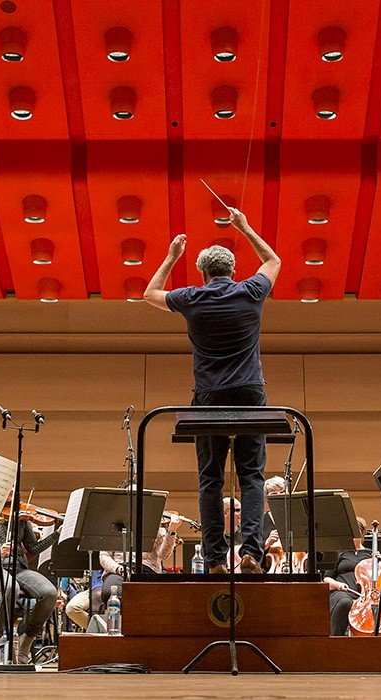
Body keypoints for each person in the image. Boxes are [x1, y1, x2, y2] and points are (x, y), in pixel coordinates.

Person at [144, 206, 281, 575]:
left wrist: (172, 256)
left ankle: (217, 560)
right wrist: (246, 227)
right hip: (250, 393)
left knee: (211, 479)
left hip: (209, 397)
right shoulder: (251, 291)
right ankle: (251, 553)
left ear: (203, 274)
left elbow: (150, 293)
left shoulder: (192, 298)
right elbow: (273, 260)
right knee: (252, 475)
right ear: (234, 271)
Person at [0, 496, 59, 665]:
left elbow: (33, 547)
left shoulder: (20, 516)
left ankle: (26, 641)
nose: (9, 493)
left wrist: (55, 535)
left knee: (50, 593)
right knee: (10, 587)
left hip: (19, 568)